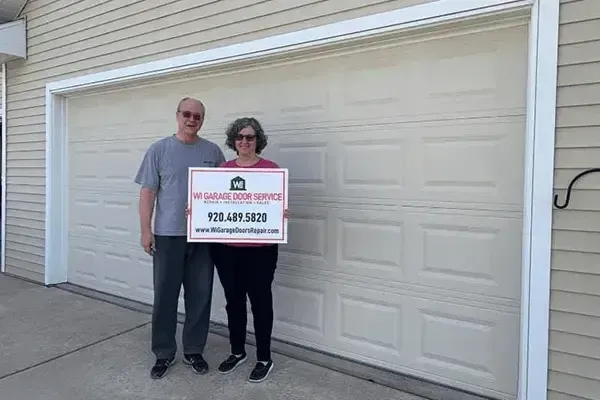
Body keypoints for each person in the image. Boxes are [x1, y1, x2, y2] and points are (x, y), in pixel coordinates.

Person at [134, 97, 225, 379]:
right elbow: (147, 193)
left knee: (200, 295)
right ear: (177, 116)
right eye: (187, 114)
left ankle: (193, 350)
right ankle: (163, 353)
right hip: (168, 236)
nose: (192, 119)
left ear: (202, 120)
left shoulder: (213, 152)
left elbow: (228, 194)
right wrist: (145, 230)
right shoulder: (159, 150)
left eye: (198, 116)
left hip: (203, 237)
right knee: (165, 297)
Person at [211, 117, 286, 383]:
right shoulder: (222, 170)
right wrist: (197, 213)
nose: (244, 141)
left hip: (261, 250)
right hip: (227, 250)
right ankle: (237, 351)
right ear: (234, 140)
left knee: (261, 302)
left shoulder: (271, 169)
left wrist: (281, 213)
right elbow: (211, 204)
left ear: (258, 141)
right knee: (234, 302)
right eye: (240, 137)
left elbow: (277, 206)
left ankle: (264, 357)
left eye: (250, 137)